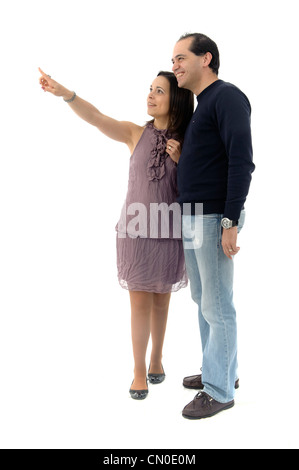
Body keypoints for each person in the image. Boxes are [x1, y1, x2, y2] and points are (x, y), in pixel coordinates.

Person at [38, 68, 194, 400]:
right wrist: (64, 93)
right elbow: (95, 117)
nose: (150, 95)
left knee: (162, 301)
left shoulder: (190, 140)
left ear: (177, 99)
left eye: (159, 91)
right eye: (149, 89)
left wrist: (183, 161)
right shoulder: (134, 133)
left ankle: (157, 359)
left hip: (168, 229)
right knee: (139, 303)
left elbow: (196, 188)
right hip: (136, 231)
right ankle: (139, 371)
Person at [171, 33, 255, 419]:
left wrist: (229, 220)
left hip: (213, 216)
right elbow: (212, 158)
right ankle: (219, 369)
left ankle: (219, 390)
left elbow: (241, 161)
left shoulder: (227, 96)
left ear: (206, 58)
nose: (175, 66)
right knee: (204, 300)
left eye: (180, 58)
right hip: (193, 215)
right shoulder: (203, 105)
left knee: (218, 304)